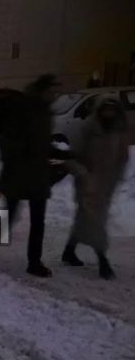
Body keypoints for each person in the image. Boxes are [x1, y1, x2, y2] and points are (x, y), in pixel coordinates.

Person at [0, 73, 60, 277]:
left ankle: (34, 262)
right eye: (51, 90)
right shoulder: (23, 109)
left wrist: (61, 153)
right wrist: (22, 153)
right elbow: (7, 141)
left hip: (38, 174)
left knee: (38, 220)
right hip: (18, 173)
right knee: (11, 214)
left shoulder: (46, 113)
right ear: (42, 90)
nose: (55, 94)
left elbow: (43, 143)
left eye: (56, 91)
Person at [62, 96, 129, 280]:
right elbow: (72, 158)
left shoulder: (119, 131)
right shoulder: (88, 129)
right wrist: (84, 175)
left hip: (106, 186)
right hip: (87, 184)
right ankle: (103, 261)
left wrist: (115, 180)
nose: (108, 113)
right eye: (105, 109)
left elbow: (122, 158)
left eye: (112, 110)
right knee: (96, 223)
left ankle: (69, 250)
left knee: (85, 220)